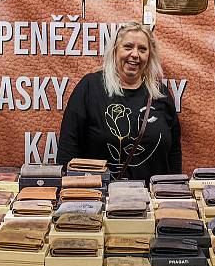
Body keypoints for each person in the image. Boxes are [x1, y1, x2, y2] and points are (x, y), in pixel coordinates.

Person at [56, 22, 182, 183]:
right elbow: (68, 148)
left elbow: (174, 153)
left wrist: (174, 191)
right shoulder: (89, 88)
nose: (135, 54)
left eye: (142, 49)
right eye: (128, 47)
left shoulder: (161, 94)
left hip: (152, 202)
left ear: (149, 55)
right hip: (99, 200)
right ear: (115, 50)